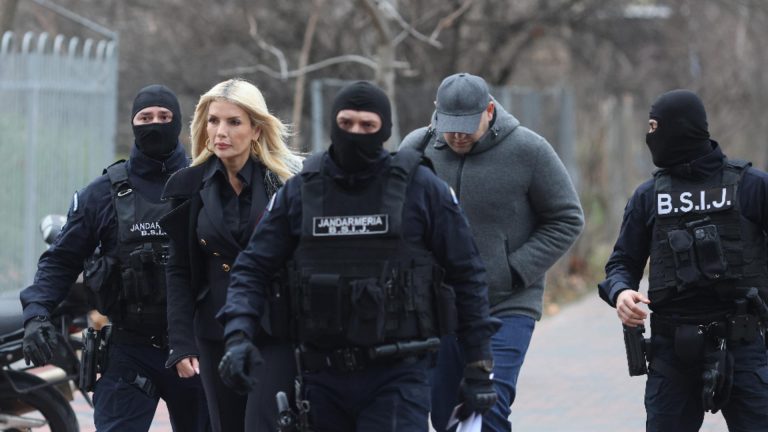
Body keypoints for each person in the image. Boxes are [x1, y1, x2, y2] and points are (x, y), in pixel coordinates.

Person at [215, 80, 501, 432]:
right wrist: (239, 336)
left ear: (385, 130)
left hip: (398, 376)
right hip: (321, 377)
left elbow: (467, 274)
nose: (355, 133)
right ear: (333, 123)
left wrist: (479, 364)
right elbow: (252, 268)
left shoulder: (421, 189)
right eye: (346, 123)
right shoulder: (302, 191)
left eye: (368, 125)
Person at [399, 72, 584, 431]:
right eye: (450, 126)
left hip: (505, 305)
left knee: (486, 409)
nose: (457, 135)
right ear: (436, 110)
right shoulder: (416, 149)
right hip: (439, 308)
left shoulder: (529, 150)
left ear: (488, 110)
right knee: (446, 416)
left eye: (467, 126)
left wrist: (512, 270)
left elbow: (566, 218)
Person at [20, 84, 210, 432]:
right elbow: (61, 260)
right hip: (130, 348)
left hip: (195, 347)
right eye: (145, 117)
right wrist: (37, 313)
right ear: (133, 123)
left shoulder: (207, 183)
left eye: (164, 116)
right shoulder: (101, 194)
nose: (155, 124)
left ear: (178, 122)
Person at [599, 89, 768, 431]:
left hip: (743, 344)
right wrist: (621, 293)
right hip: (673, 352)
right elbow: (622, 264)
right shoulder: (648, 197)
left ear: (679, 128)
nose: (649, 136)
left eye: (654, 126)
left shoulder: (752, 186)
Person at [159, 78, 302, 432]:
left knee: (262, 423)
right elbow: (178, 269)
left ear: (256, 130)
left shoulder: (286, 186)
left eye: (234, 122)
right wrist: (181, 343)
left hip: (273, 329)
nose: (220, 131)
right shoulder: (187, 186)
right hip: (214, 329)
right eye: (213, 120)